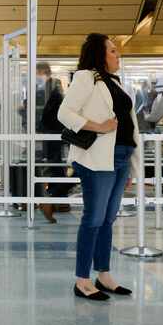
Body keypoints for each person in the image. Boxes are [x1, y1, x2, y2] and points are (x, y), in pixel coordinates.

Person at [57, 33, 141, 301]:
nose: (118, 55)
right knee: (93, 219)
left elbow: (130, 127)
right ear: (100, 54)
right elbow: (65, 113)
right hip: (97, 158)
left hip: (121, 157)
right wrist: (98, 126)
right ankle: (82, 279)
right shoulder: (86, 77)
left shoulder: (115, 83)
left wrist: (133, 169)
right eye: (113, 51)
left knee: (108, 219)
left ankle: (103, 275)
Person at [37, 63, 70, 223]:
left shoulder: (51, 87)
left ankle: (56, 198)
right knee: (56, 165)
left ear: (43, 72)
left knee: (55, 164)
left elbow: (48, 112)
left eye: (38, 73)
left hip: (53, 132)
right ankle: (58, 199)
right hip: (54, 131)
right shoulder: (54, 87)